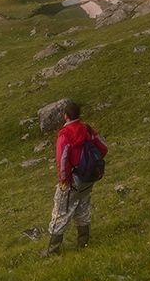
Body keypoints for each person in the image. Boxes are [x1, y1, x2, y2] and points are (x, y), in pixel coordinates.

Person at [45, 101, 106, 256]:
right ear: (78, 114)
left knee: (61, 211)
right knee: (83, 206)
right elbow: (103, 148)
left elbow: (62, 159)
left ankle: (52, 251)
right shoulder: (87, 129)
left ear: (65, 116)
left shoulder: (65, 135)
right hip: (90, 177)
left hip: (74, 178)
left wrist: (64, 180)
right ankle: (83, 242)